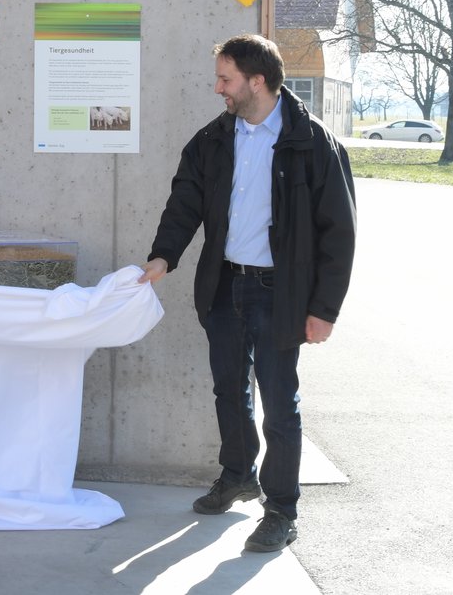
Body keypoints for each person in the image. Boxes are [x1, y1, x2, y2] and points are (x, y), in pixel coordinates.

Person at [139, 33, 355, 553]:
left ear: (257, 81)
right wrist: (164, 255)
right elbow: (184, 201)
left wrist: (324, 310)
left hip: (281, 293)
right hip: (224, 286)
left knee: (280, 404)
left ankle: (281, 509)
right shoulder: (215, 139)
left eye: (226, 78)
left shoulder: (313, 144)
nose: (219, 88)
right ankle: (237, 474)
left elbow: (339, 233)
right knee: (228, 392)